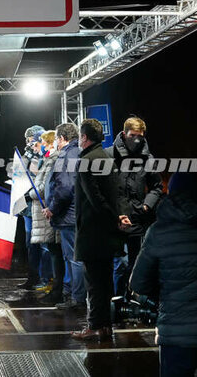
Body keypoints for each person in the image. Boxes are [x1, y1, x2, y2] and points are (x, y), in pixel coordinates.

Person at [130, 173, 197, 376]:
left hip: (175, 334)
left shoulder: (158, 231)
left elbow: (139, 283)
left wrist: (163, 295)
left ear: (171, 194)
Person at [71, 119, 122, 341]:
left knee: (93, 283)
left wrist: (111, 217)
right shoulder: (108, 158)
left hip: (92, 232)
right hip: (109, 232)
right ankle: (106, 326)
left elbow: (95, 198)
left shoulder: (85, 161)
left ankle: (94, 326)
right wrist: (117, 218)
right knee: (105, 281)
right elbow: (115, 194)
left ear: (84, 137)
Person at [106, 117, 163, 297]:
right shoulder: (109, 155)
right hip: (115, 220)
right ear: (124, 134)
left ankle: (132, 299)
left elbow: (157, 186)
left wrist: (146, 206)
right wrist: (114, 213)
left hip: (138, 219)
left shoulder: (148, 158)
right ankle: (115, 299)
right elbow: (102, 188)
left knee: (136, 264)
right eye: (132, 135)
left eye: (140, 136)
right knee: (117, 264)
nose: (136, 140)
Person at [43, 123, 86, 309]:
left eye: (56, 140)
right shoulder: (78, 152)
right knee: (73, 257)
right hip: (74, 214)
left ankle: (77, 298)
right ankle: (73, 294)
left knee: (73, 258)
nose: (55, 144)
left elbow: (65, 188)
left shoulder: (66, 155)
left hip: (69, 216)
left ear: (62, 138)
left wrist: (52, 208)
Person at [29, 130, 63, 304]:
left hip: (48, 213)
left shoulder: (53, 160)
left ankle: (58, 290)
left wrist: (29, 193)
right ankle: (56, 288)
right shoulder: (48, 160)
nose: (40, 146)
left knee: (56, 253)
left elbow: (43, 188)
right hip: (44, 213)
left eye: (42, 143)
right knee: (53, 251)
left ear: (50, 143)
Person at [18, 125, 52, 290]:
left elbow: (41, 178)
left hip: (40, 205)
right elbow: (18, 173)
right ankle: (33, 277)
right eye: (27, 140)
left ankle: (46, 278)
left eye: (31, 140)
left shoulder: (45, 155)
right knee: (30, 244)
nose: (29, 143)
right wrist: (26, 156)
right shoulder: (27, 155)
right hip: (28, 208)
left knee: (43, 244)